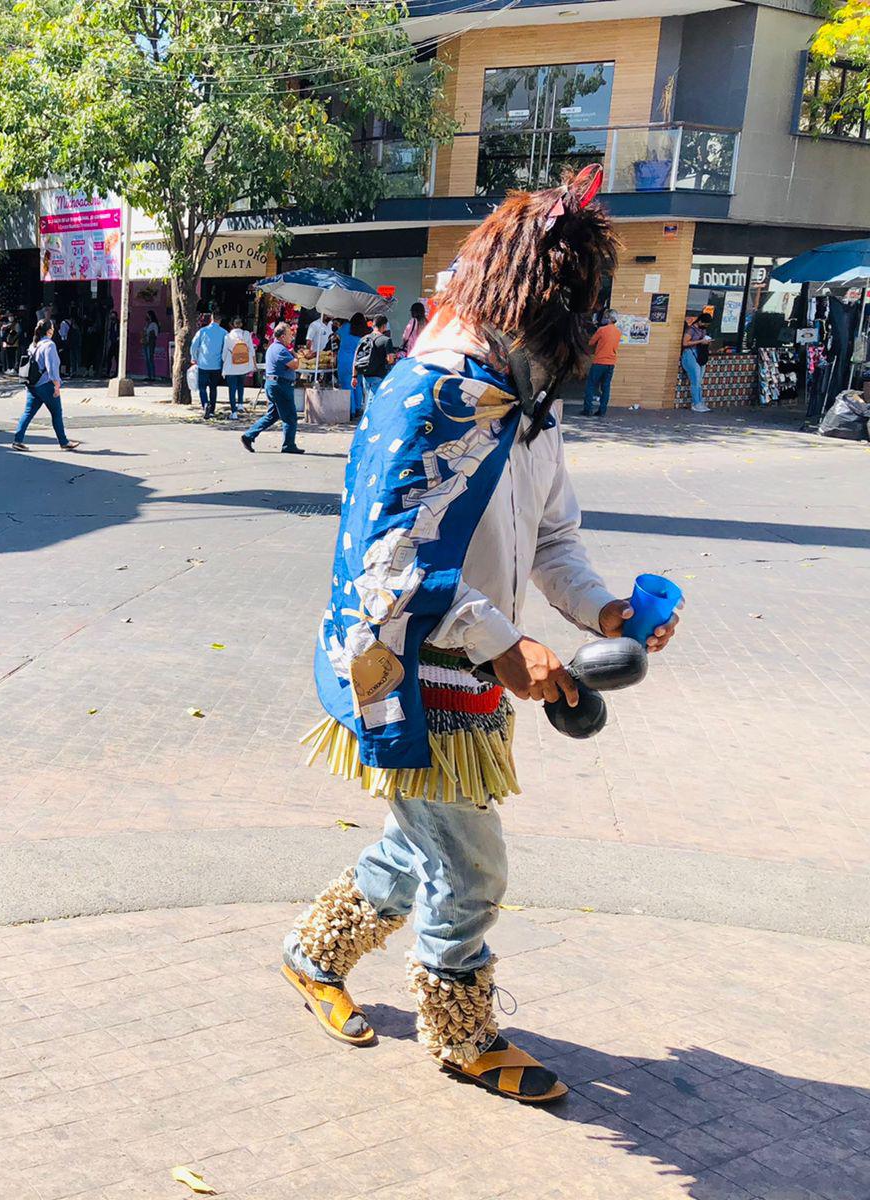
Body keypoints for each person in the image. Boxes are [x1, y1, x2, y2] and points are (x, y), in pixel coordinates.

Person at [283, 165, 682, 1107]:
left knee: (421, 847)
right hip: (406, 672)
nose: (592, 336)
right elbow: (391, 557)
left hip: (473, 682)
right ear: (535, 303)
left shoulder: (530, 413)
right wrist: (507, 643)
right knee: (471, 861)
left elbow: (553, 538)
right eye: (580, 313)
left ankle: (310, 954)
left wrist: (604, 612)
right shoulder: (430, 395)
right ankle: (461, 1031)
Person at [13, 319, 79, 451]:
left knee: (28, 413)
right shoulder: (49, 345)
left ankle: (17, 440)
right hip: (45, 384)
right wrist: (57, 385)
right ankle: (63, 441)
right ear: (50, 331)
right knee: (56, 413)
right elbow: (52, 368)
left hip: (32, 385)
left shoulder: (33, 345)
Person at [241, 321, 301, 453]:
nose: (291, 337)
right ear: (283, 336)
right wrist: (296, 356)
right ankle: (289, 445)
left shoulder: (274, 348)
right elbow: (295, 365)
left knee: (272, 415)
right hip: (280, 385)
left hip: (275, 384)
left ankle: (249, 435)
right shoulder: (280, 349)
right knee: (290, 416)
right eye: (290, 334)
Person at [350, 314, 395, 417]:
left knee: (368, 400)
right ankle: (367, 427)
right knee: (373, 404)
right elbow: (390, 360)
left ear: (373, 325)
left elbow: (356, 358)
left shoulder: (364, 339)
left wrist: (354, 376)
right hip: (379, 376)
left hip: (365, 376)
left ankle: (368, 425)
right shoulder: (386, 340)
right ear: (384, 326)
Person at [582, 311, 621, 416]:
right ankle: (602, 411)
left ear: (608, 318)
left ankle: (588, 409)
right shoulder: (618, 332)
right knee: (606, 387)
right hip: (611, 363)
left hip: (599, 361)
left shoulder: (602, 330)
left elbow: (591, 342)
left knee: (590, 385)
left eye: (605, 317)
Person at [190, 310, 227, 417]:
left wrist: (194, 357)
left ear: (211, 318)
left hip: (203, 364)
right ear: (220, 320)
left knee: (202, 387)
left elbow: (194, 345)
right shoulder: (224, 333)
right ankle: (212, 410)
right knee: (213, 387)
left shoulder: (203, 331)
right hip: (216, 365)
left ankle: (205, 404)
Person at [222, 316, 256, 420]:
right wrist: (253, 363)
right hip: (243, 365)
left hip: (231, 366)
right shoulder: (246, 335)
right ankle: (240, 404)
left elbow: (224, 353)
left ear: (232, 325)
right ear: (241, 325)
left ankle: (234, 412)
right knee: (241, 384)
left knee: (232, 389)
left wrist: (224, 361)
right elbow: (251, 350)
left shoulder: (228, 336)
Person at [336, 312, 368, 417]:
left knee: (347, 385)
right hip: (358, 360)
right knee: (357, 384)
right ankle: (358, 407)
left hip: (345, 360)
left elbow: (337, 335)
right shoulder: (364, 332)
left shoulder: (346, 327)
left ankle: (351, 410)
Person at [682, 313, 713, 413]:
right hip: (690, 354)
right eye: (704, 323)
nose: (705, 326)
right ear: (700, 321)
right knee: (695, 380)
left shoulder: (703, 330)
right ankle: (696, 403)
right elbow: (685, 343)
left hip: (699, 355)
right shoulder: (691, 330)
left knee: (699, 381)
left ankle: (700, 402)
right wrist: (700, 341)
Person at [306, 312, 333, 385]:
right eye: (329, 314)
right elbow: (309, 341)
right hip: (316, 357)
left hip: (327, 357)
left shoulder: (331, 324)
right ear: (323, 314)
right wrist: (308, 354)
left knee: (327, 379)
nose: (331, 316)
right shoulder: (314, 325)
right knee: (315, 378)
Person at [142, 310, 161, 380]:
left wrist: (150, 334)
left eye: (148, 315)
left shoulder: (154, 324)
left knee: (150, 359)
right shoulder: (147, 324)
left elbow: (155, 334)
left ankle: (153, 375)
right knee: (147, 360)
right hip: (145, 342)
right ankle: (149, 375)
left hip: (150, 343)